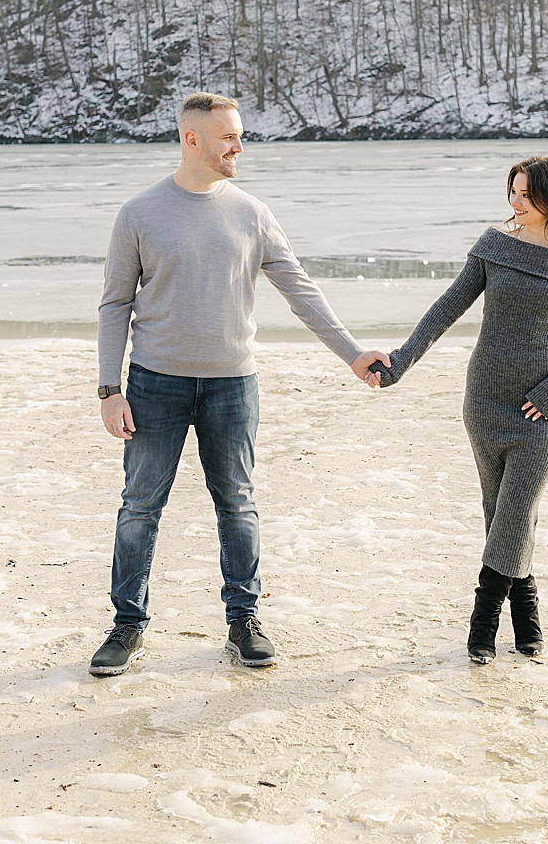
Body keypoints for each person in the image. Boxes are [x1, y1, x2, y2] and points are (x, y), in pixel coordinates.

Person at [88, 91, 389, 677]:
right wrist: (108, 389)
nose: (239, 146)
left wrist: (352, 355)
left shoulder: (252, 212)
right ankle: (127, 625)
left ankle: (243, 620)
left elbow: (300, 290)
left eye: (240, 134)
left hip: (233, 386)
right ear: (191, 139)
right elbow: (114, 304)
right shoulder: (140, 213)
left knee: (238, 506)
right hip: (155, 384)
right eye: (228, 136)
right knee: (140, 507)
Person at [374, 156, 548, 662]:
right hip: (485, 399)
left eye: (525, 195)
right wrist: (401, 362)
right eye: (512, 193)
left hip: (541, 408)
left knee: (516, 509)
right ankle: (527, 609)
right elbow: (447, 307)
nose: (515, 203)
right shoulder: (496, 247)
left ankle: (484, 622)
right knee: (500, 512)